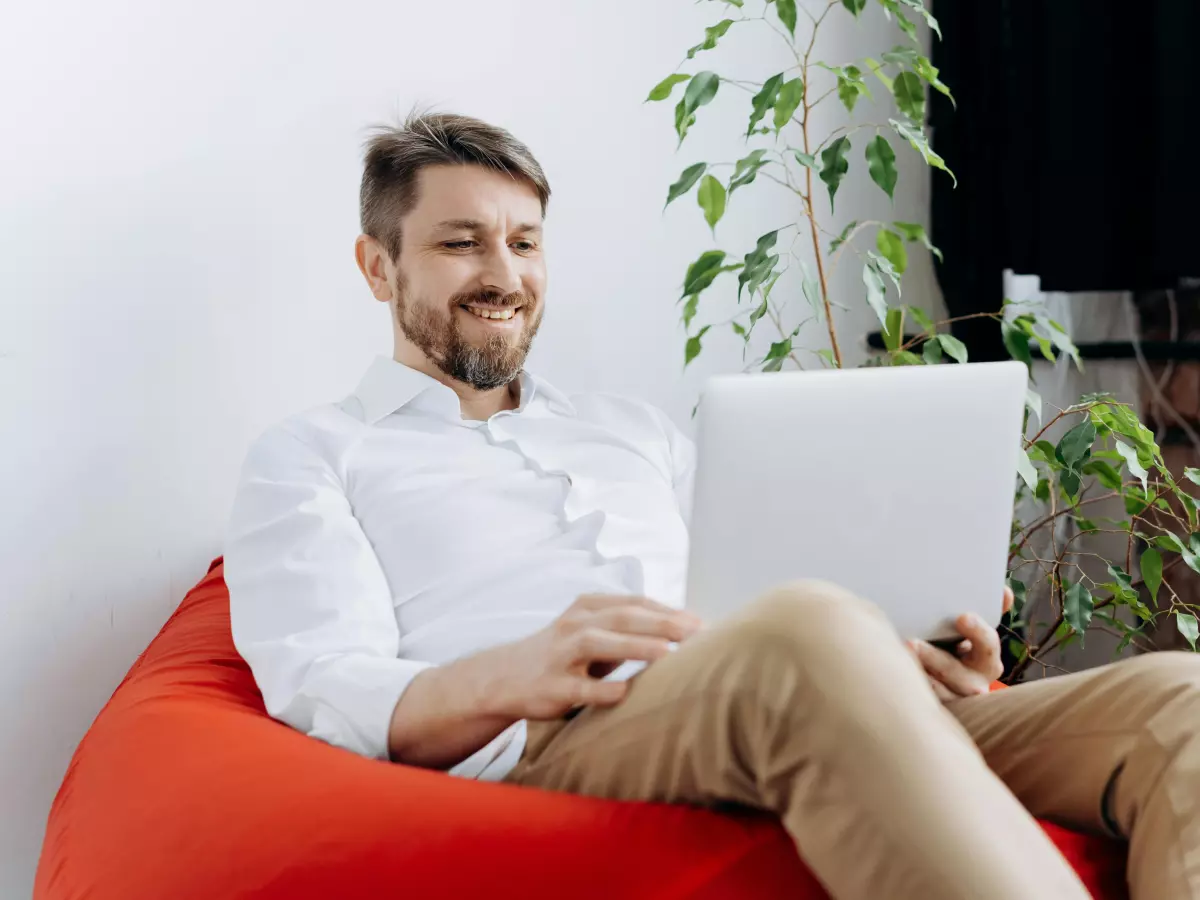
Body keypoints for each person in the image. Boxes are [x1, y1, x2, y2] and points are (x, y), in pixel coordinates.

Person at [225, 111, 1200, 900]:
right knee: (807, 632)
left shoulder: (632, 430)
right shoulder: (312, 457)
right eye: (459, 243)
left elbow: (762, 584)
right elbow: (326, 689)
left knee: (1179, 699)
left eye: (525, 242)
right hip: (568, 735)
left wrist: (907, 640)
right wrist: (518, 672)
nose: (506, 274)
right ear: (377, 266)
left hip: (780, 688)